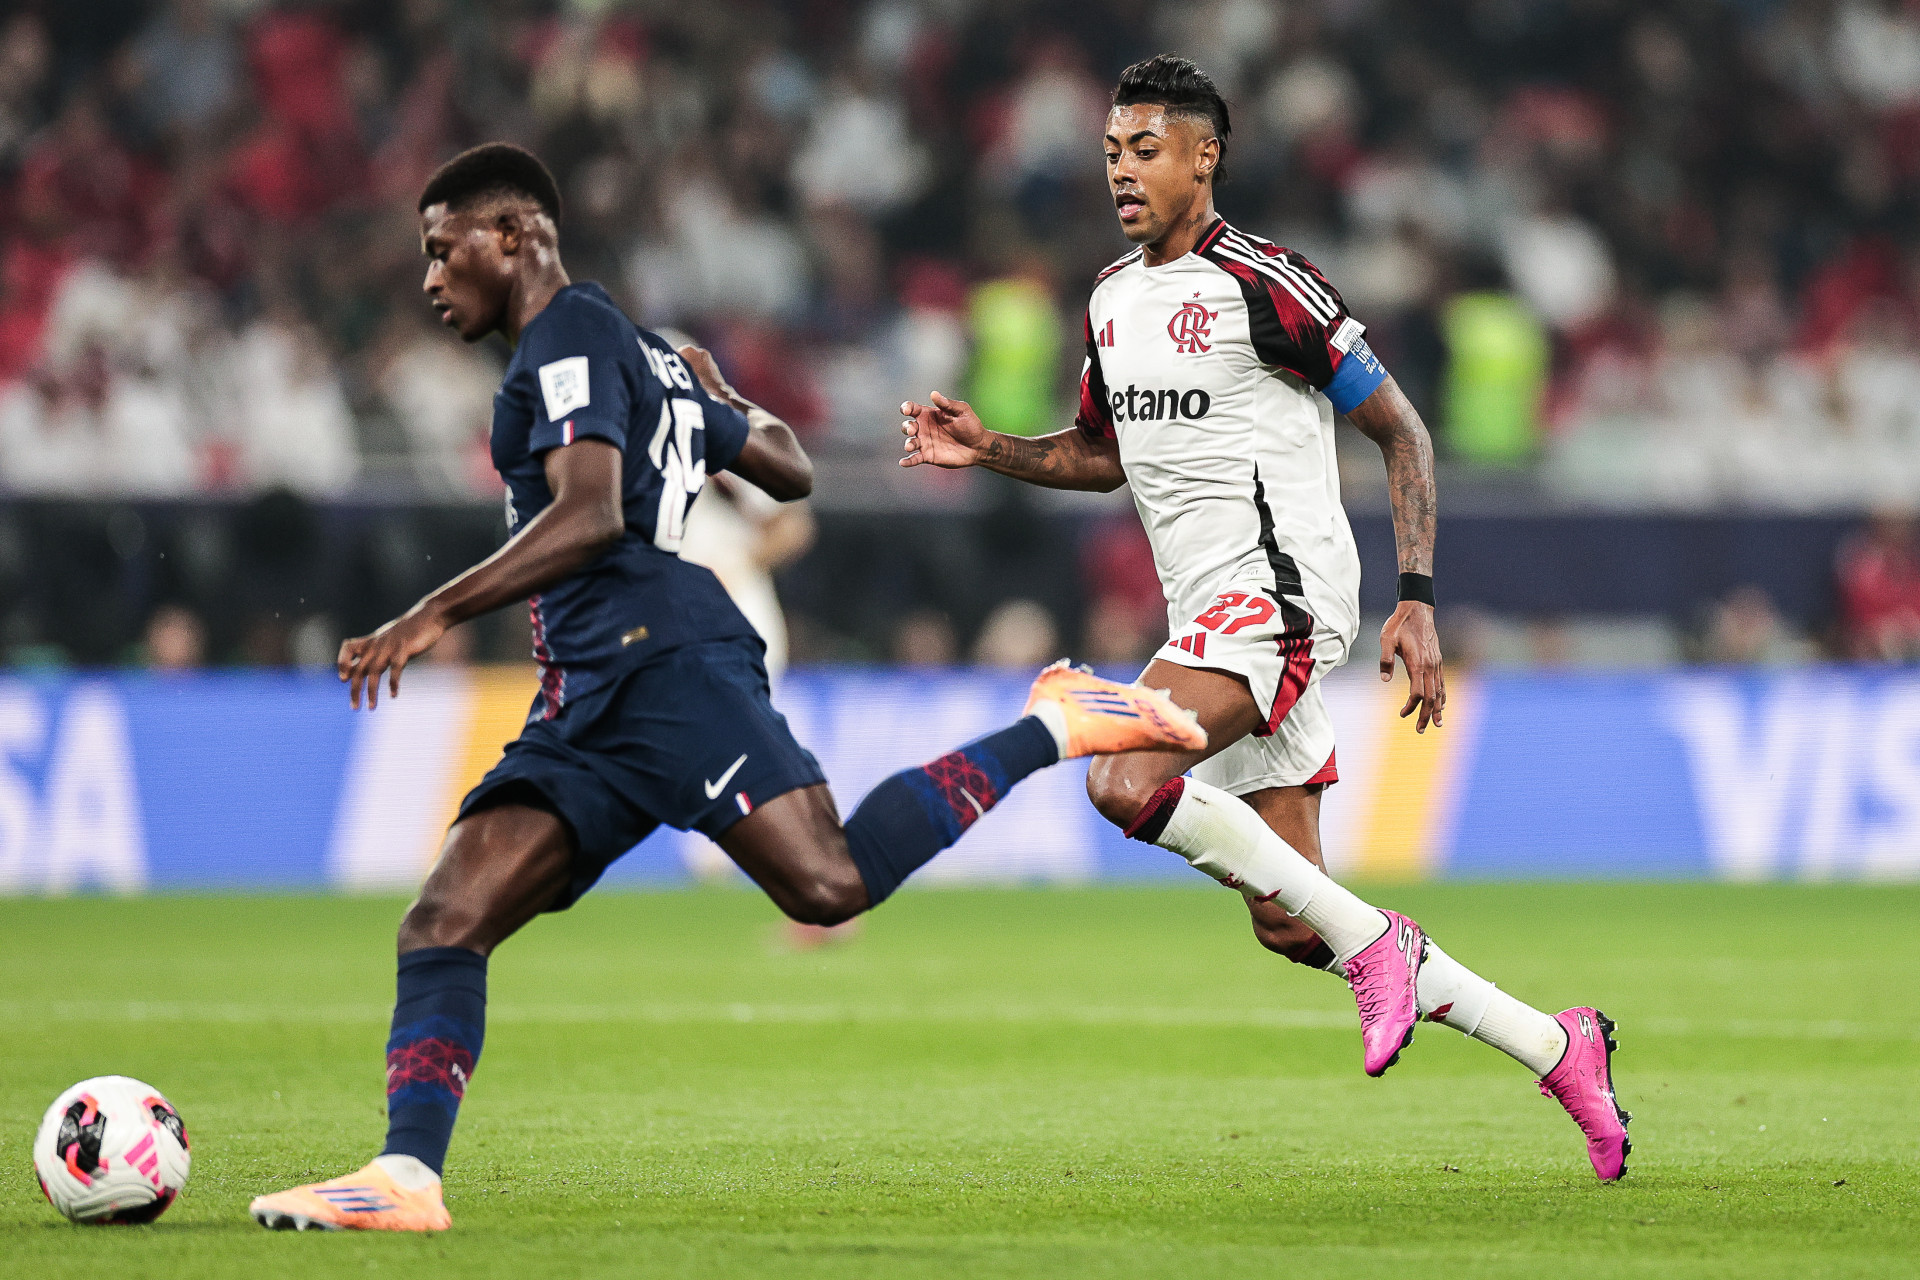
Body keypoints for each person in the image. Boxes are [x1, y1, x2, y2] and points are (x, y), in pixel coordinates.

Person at [248, 143, 1206, 1233]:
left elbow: (591, 510)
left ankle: (1056, 720)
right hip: (587, 694)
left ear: (511, 236)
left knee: (828, 884)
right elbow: (788, 466)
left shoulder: (564, 337)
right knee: (445, 916)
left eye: (440, 248)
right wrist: (708, 392)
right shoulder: (640, 351)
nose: (428, 278)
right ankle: (406, 1176)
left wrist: (432, 610)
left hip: (662, 660)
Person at [900, 56, 1630, 1182]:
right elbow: (1103, 455)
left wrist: (1419, 601)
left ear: (1206, 156)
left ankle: (1386, 946)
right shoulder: (1108, 299)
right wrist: (990, 445)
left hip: (1281, 594)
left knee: (1121, 775)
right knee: (1300, 918)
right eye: (1110, 153)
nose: (1123, 173)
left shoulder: (1270, 284)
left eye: (1146, 150)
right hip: (1211, 615)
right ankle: (1556, 1043)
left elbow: (1404, 432)